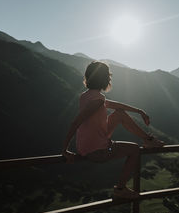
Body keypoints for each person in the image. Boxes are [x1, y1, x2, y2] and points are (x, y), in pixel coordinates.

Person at [62, 61, 164, 199]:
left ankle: (148, 139)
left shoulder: (86, 96)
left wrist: (139, 111)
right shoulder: (98, 100)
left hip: (87, 146)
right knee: (134, 150)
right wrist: (64, 150)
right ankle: (120, 189)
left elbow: (113, 105)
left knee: (119, 114)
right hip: (98, 151)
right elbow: (75, 123)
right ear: (105, 79)